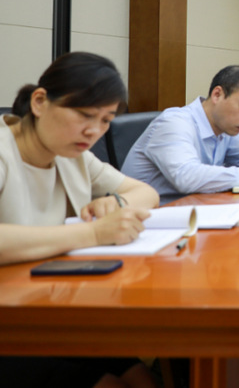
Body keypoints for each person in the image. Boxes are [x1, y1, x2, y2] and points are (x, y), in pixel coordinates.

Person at [0, 52, 159, 388]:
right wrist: (94, 233)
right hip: (11, 320)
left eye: (106, 120)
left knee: (141, 378)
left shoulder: (73, 156)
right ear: (40, 102)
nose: (93, 131)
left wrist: (114, 202)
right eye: (85, 115)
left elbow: (146, 193)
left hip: (48, 307)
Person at [122, 65, 239, 196]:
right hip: (147, 220)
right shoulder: (174, 123)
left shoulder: (227, 128)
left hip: (195, 212)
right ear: (217, 95)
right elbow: (187, 177)